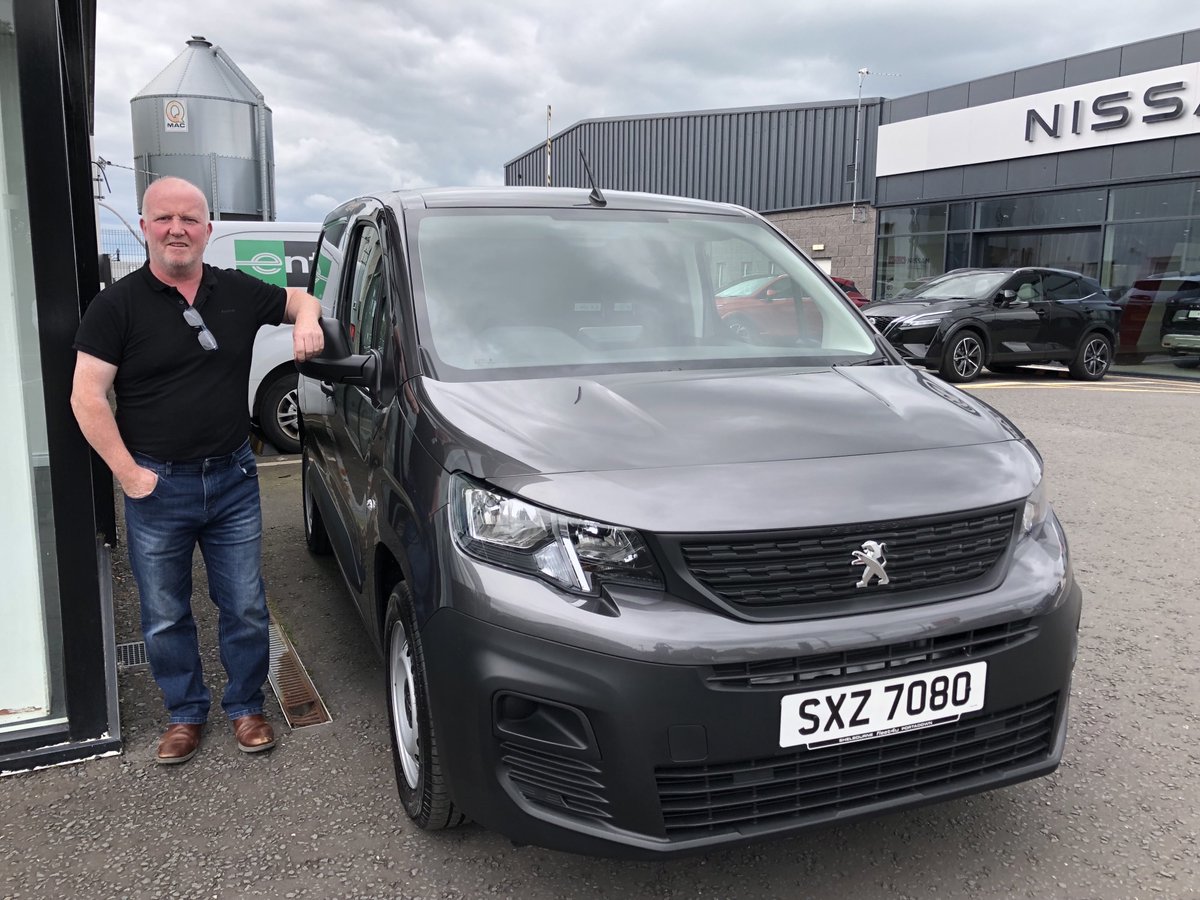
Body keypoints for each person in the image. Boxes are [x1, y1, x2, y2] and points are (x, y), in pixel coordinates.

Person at [71, 176, 325, 764]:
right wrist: (130, 477)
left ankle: (245, 706)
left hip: (234, 480)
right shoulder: (115, 307)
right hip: (157, 485)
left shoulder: (236, 291)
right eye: (164, 219)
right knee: (164, 615)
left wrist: (307, 319)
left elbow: (299, 299)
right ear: (145, 227)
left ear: (208, 231)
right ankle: (185, 715)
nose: (177, 229)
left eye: (189, 219)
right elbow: (87, 398)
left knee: (244, 604)